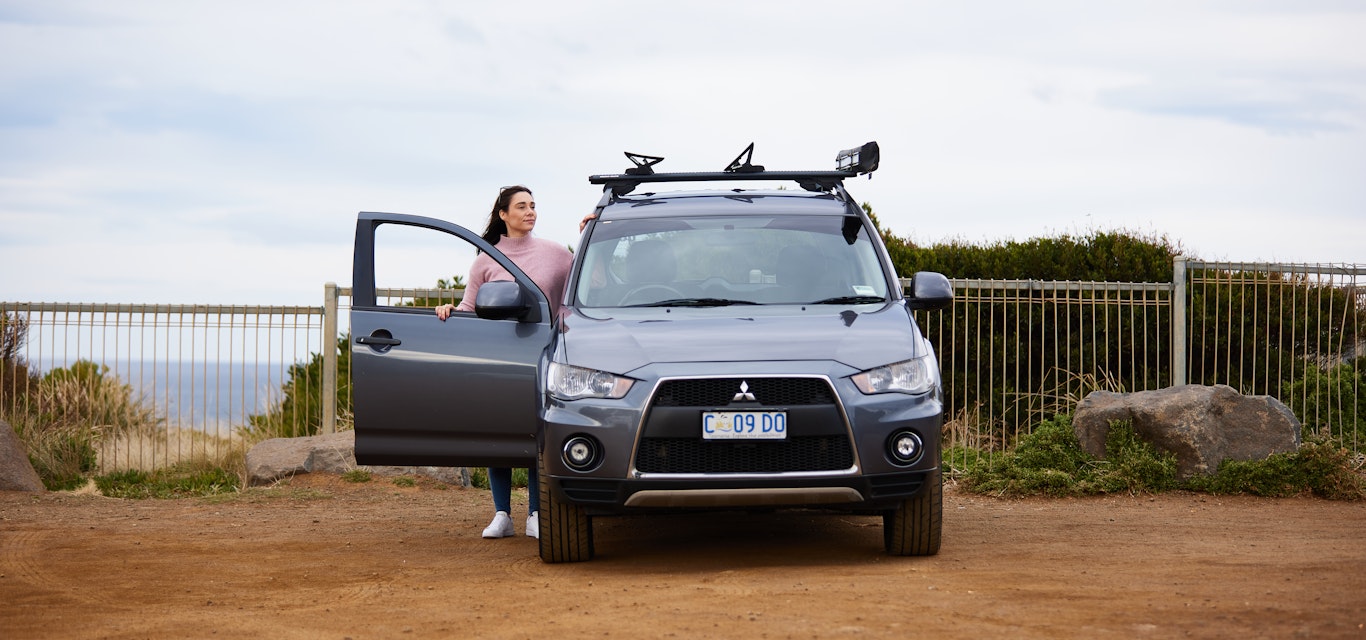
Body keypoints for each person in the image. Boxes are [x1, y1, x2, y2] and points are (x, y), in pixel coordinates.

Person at [436, 185, 573, 540]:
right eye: (522, 206)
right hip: (498, 358)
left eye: (533, 206)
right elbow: (470, 308)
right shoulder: (485, 259)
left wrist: (589, 230)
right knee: (497, 431)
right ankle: (502, 514)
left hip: (544, 353)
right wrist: (450, 310)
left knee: (536, 432)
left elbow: (584, 283)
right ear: (503, 215)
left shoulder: (556, 253)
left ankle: (534, 514)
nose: (530, 212)